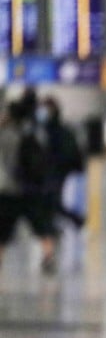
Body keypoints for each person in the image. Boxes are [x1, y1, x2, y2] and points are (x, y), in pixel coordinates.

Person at [0, 97, 59, 274]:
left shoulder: (5, 135)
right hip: (31, 189)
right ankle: (48, 256)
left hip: (8, 189)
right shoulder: (35, 134)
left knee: (2, 230)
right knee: (41, 225)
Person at [37, 96, 85, 229]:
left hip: (57, 171)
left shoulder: (56, 131)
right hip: (51, 171)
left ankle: (78, 221)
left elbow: (65, 153)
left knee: (52, 202)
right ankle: (70, 223)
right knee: (51, 202)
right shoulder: (45, 129)